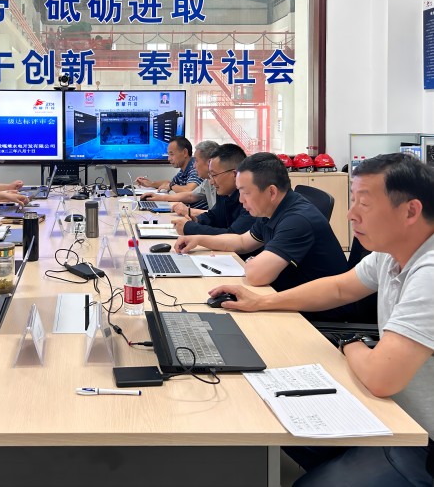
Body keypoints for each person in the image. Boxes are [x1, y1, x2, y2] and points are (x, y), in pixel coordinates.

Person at [208, 153, 434, 486]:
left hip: (419, 438)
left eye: (364, 204)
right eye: (352, 201)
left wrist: (350, 343)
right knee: (270, 414)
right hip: (387, 408)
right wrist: (263, 302)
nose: (351, 214)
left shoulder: (428, 272)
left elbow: (380, 378)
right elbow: (340, 288)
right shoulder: (391, 254)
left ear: (411, 211)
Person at [175, 152, 350, 321]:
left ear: (271, 192)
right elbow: (242, 241)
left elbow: (256, 275)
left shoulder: (297, 220)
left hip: (319, 314)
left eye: (245, 192)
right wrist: (199, 239)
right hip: (288, 298)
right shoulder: (272, 209)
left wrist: (252, 261)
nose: (241, 200)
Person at [171, 143, 255, 238]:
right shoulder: (224, 192)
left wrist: (189, 228)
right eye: (210, 175)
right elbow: (213, 216)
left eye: (214, 175)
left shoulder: (250, 200)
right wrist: (196, 220)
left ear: (235, 174)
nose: (211, 181)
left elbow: (233, 236)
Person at [142, 140, 218, 211]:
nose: (194, 165)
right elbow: (190, 195)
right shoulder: (207, 181)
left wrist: (189, 212)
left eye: (197, 161)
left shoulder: (196, 171)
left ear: (210, 162)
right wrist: (159, 195)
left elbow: (188, 190)